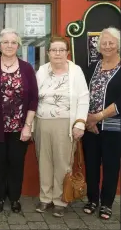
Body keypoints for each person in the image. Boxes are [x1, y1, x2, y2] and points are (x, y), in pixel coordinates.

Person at [0, 28, 38, 213]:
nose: (9, 45)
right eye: (5, 42)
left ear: (18, 46)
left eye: (13, 42)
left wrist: (27, 126)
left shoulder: (27, 68)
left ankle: (14, 198)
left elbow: (33, 99)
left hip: (19, 127)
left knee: (16, 164)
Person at [34, 36, 89, 217]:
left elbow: (83, 98)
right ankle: (45, 198)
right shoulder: (42, 70)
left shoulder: (75, 71)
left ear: (67, 53)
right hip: (42, 122)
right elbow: (33, 96)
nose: (57, 53)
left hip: (65, 123)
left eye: (61, 50)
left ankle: (60, 199)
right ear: (48, 53)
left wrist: (80, 122)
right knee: (44, 161)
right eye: (54, 50)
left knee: (63, 162)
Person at [82, 27, 121, 220]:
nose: (107, 46)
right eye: (103, 43)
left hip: (113, 128)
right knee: (91, 164)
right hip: (91, 127)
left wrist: (98, 117)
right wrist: (89, 120)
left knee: (111, 166)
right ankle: (92, 199)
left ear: (118, 45)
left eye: (111, 42)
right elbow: (83, 94)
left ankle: (106, 204)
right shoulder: (93, 67)